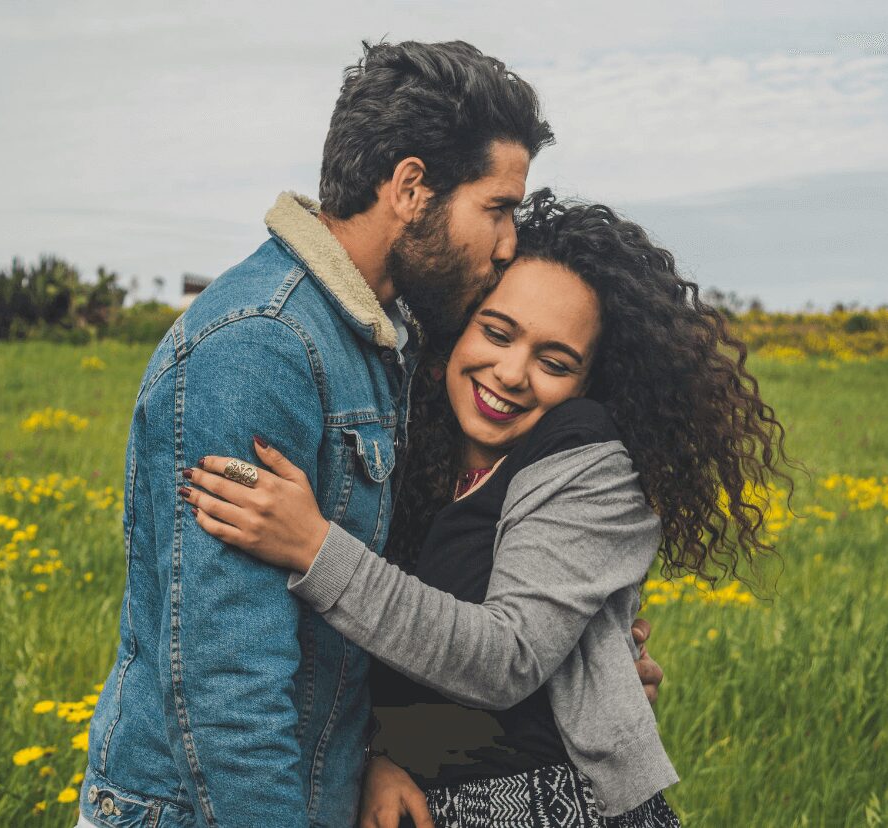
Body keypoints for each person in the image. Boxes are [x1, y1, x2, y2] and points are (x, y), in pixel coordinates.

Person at [77, 42, 663, 828]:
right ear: (412, 188)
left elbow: (351, 634)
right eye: (497, 207)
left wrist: (375, 757)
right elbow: (227, 687)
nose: (509, 241)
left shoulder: (386, 338)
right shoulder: (261, 347)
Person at [183, 191, 792, 826]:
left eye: (554, 362)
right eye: (497, 332)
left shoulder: (589, 459)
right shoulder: (410, 450)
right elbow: (382, 648)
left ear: (588, 383)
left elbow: (506, 659)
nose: (511, 372)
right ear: (457, 327)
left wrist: (313, 547)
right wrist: (380, 755)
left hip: (554, 807)